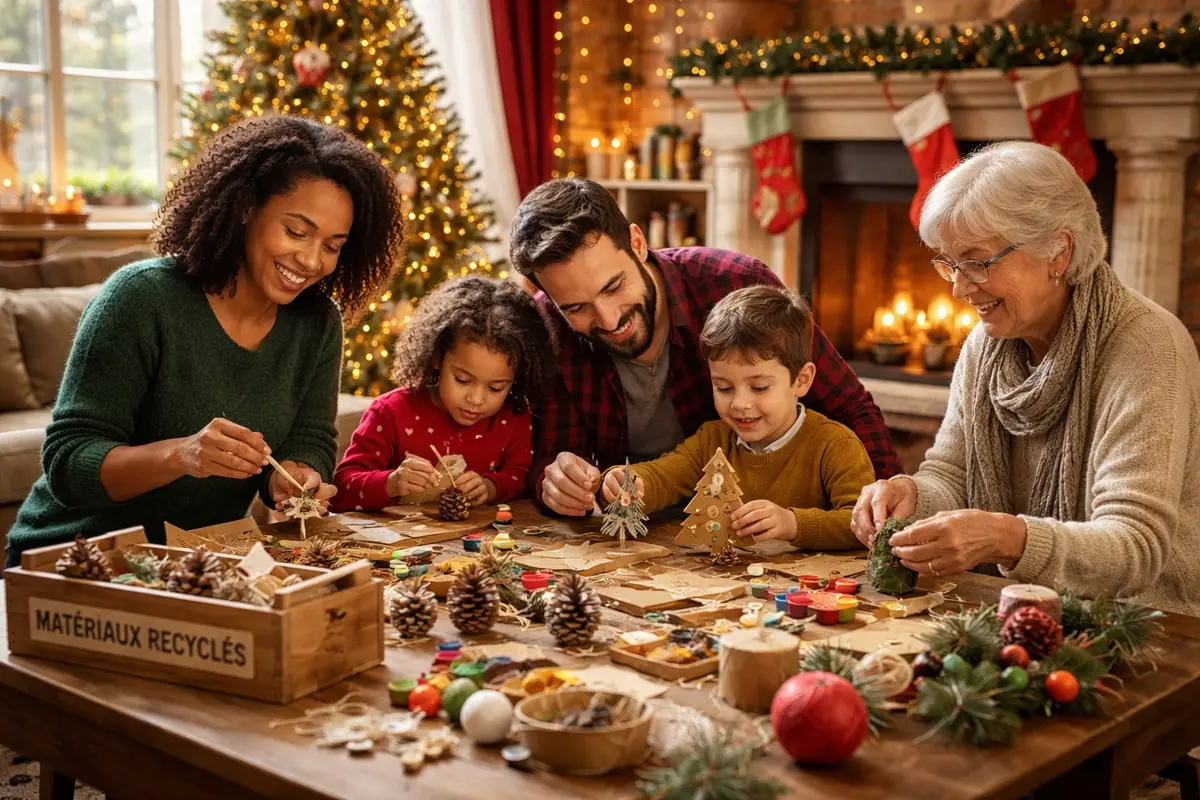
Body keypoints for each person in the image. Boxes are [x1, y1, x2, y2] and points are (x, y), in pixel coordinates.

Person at [3, 115, 405, 568]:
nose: (312, 261)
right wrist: (182, 454)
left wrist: (296, 474)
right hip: (76, 558)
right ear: (245, 209)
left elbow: (309, 437)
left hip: (201, 560)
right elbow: (68, 462)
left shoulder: (317, 321)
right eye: (296, 231)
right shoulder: (141, 299)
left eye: (332, 245)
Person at [851, 141, 1200, 617]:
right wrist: (911, 496)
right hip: (1014, 608)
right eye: (951, 264)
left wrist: (1006, 538)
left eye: (978, 262)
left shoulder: (1147, 346)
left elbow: (1135, 547)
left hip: (1144, 623)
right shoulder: (985, 345)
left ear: (1058, 252)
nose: (959, 288)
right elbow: (952, 474)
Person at [509, 177, 900, 517]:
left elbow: (850, 408)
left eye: (614, 286)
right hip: (637, 534)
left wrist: (882, 512)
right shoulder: (550, 329)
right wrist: (555, 481)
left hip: (768, 529)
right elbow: (552, 455)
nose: (610, 320)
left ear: (637, 243)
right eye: (576, 308)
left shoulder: (735, 283)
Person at [601, 285, 874, 549]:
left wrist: (793, 524)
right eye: (724, 388)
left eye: (759, 387)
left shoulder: (835, 445)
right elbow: (664, 476)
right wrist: (630, 482)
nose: (740, 404)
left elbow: (863, 524)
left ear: (801, 380)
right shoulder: (712, 440)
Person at [332, 276, 554, 511]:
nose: (476, 400)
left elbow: (520, 477)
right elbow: (342, 488)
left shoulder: (514, 415)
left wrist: (490, 487)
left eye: (496, 387)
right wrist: (391, 483)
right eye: (462, 380)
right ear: (437, 357)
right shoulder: (390, 412)